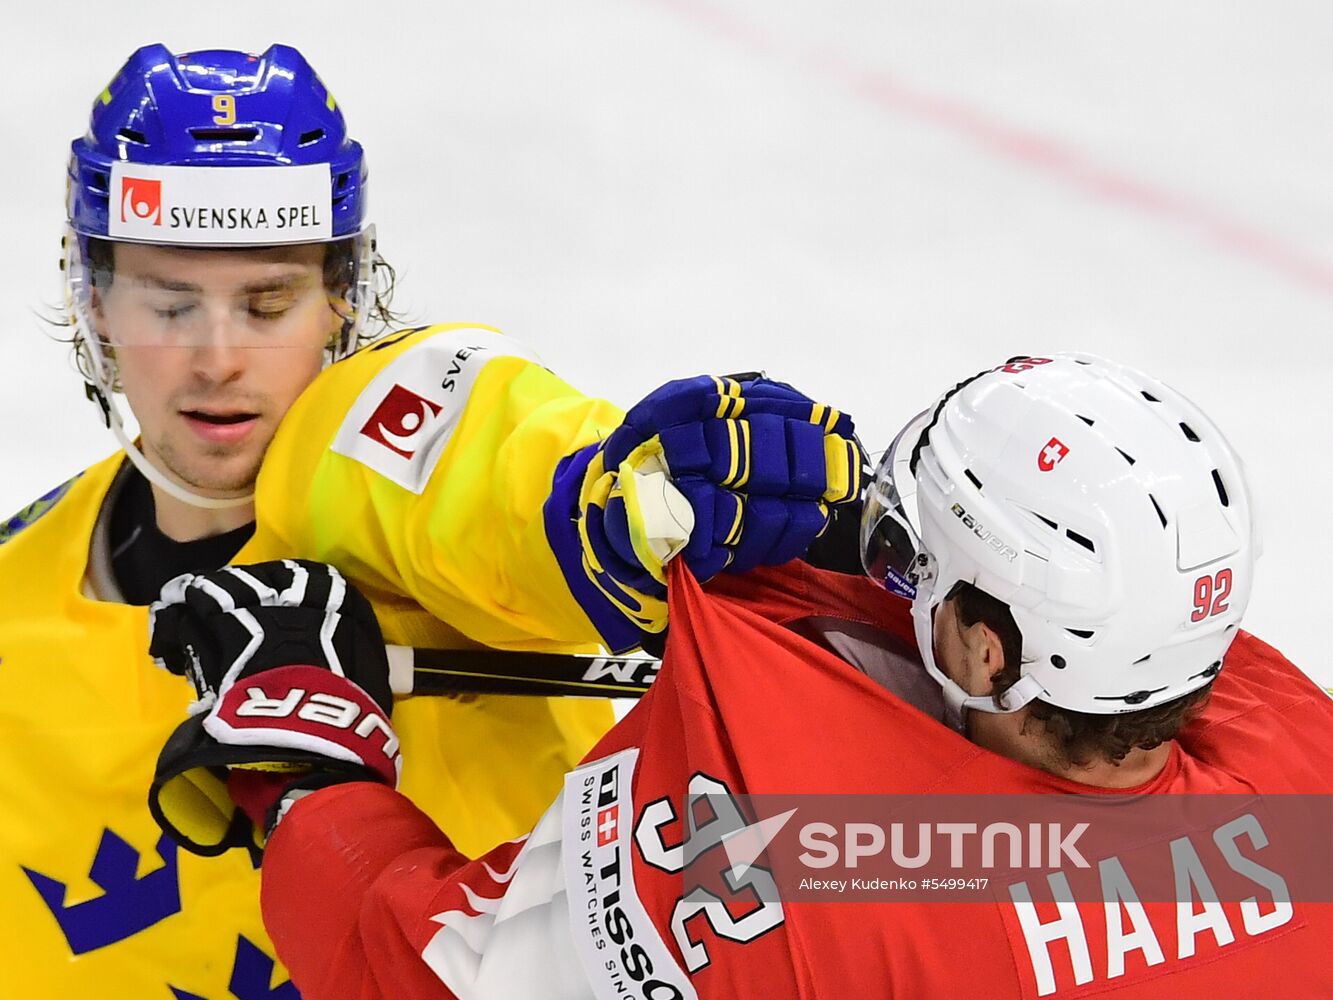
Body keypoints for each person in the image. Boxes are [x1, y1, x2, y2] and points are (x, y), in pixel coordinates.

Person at [0, 43, 861, 997]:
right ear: (92, 298)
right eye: (170, 305)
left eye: (267, 302)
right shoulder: (13, 590)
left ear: (341, 298)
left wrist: (617, 510)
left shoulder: (364, 458)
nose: (217, 359)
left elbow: (487, 469)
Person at [145, 353, 1333, 998]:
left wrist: (303, 760)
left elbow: (408, 972)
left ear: (986, 650)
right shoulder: (1304, 785)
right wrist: (833, 560)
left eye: (905, 554)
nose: (882, 559)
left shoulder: (788, 863)